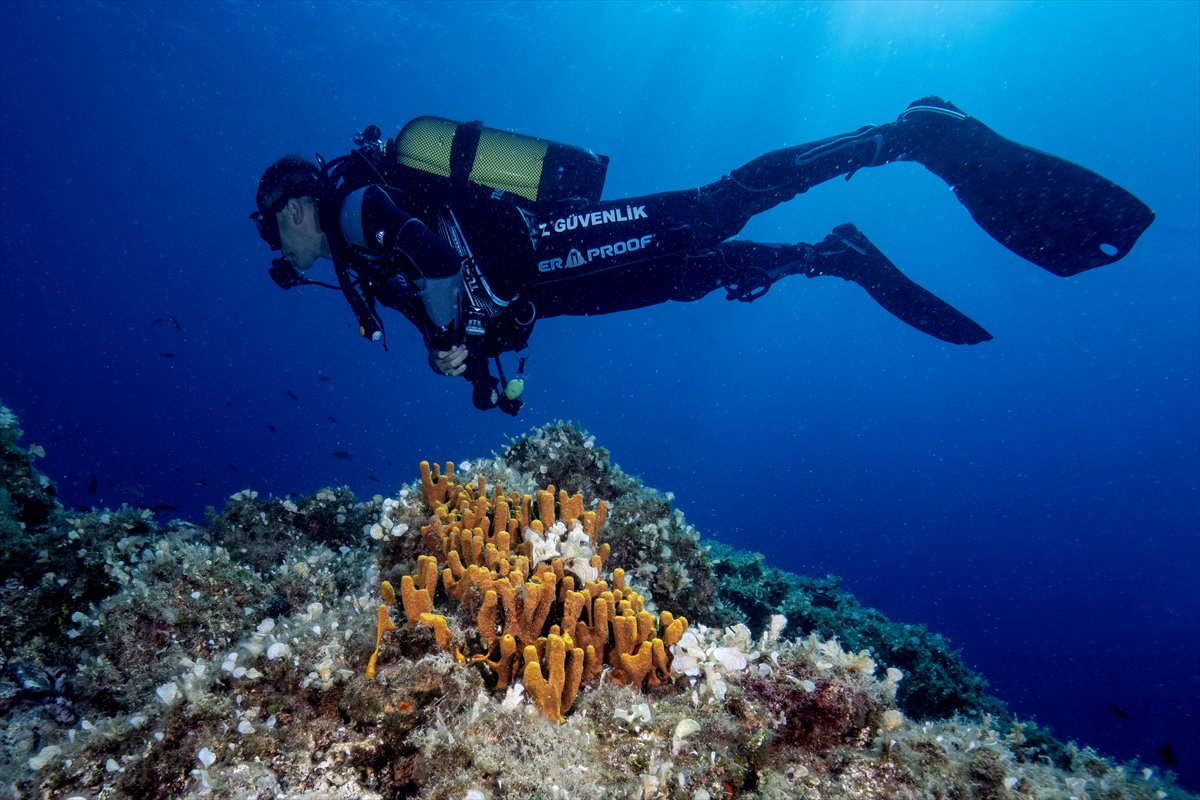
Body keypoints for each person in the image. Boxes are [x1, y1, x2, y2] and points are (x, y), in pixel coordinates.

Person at [252, 98, 1153, 415]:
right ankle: (828, 255)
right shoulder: (362, 258)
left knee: (712, 212)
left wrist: (447, 334)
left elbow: (445, 270)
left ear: (297, 203)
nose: (279, 247)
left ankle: (898, 136)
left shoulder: (360, 204)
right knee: (691, 274)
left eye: (271, 226)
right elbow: (449, 299)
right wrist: (467, 361)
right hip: (554, 287)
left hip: (551, 250)